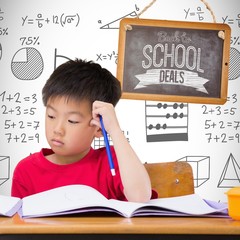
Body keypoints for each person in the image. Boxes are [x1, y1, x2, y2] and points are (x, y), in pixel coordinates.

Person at [11, 59, 156, 202]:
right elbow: (17, 223)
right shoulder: (27, 170)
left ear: (99, 128)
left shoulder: (110, 161)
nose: (57, 129)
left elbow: (140, 197)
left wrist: (115, 130)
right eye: (51, 116)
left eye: (72, 121)